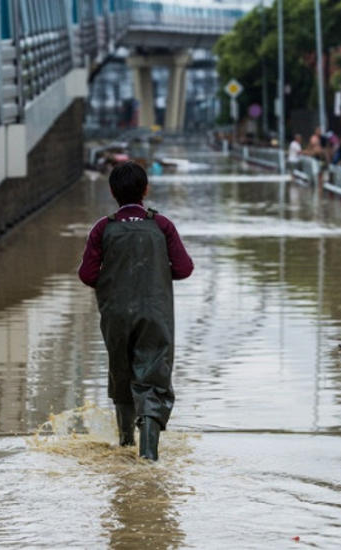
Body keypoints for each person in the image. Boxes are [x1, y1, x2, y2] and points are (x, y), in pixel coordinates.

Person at [78, 162, 194, 461]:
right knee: (153, 378)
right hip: (155, 313)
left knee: (122, 372)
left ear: (112, 192)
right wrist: (155, 272)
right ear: (146, 189)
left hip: (116, 315)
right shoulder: (162, 225)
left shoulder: (103, 228)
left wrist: (117, 278)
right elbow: (184, 268)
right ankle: (148, 455)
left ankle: (125, 445)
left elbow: (87, 275)